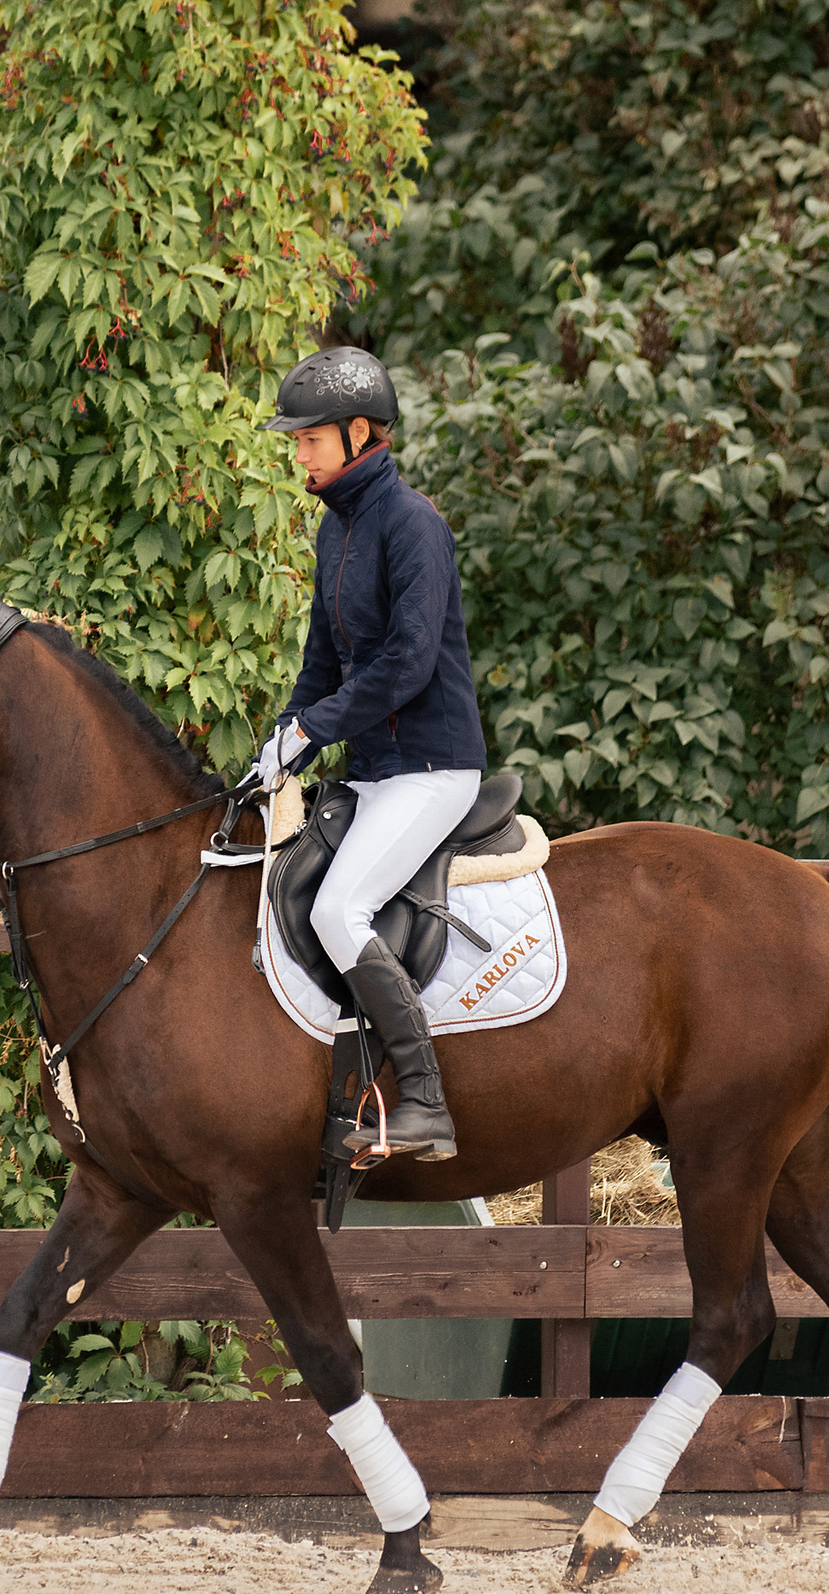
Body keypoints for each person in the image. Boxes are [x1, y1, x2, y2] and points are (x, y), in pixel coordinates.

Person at [255, 347, 488, 1161]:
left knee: (336, 908)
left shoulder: (413, 525)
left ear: (359, 433)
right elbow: (323, 660)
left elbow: (407, 662)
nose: (299, 453)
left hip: (432, 768)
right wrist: (283, 738)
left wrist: (315, 728)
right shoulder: (336, 530)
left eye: (309, 439)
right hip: (372, 773)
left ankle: (426, 1104)